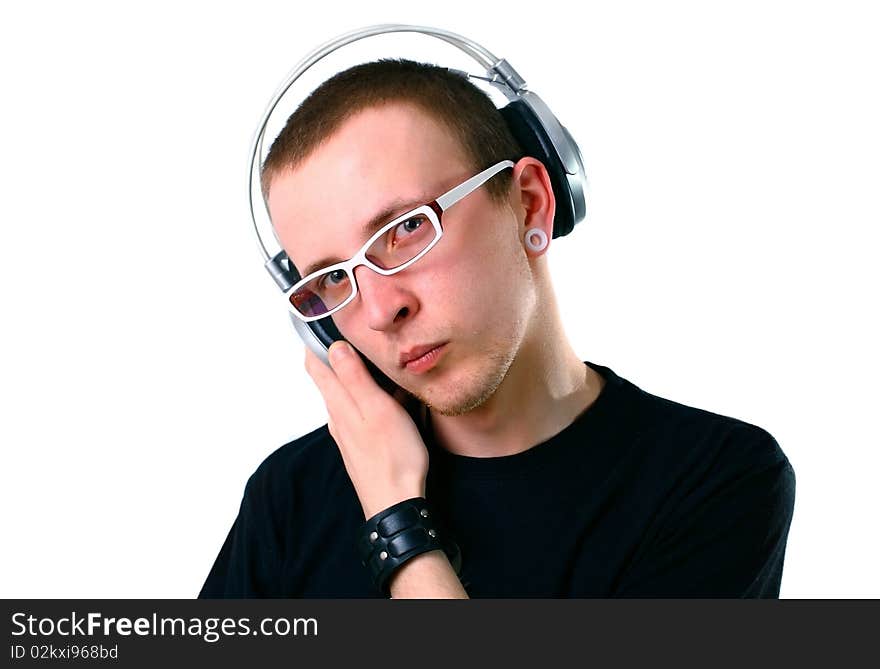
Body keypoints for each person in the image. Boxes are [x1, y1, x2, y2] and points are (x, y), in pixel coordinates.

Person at [199, 59, 796, 598]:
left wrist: (396, 518)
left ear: (531, 203)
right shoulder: (291, 496)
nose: (380, 310)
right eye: (331, 278)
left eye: (406, 229)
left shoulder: (718, 480)